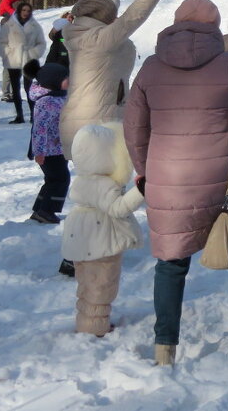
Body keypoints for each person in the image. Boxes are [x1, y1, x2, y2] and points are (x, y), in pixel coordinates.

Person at [124, 0, 228, 366]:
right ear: (215, 26)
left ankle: (165, 351)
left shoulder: (151, 68)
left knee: (171, 264)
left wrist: (144, 169)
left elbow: (134, 127)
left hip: (167, 179)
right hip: (221, 177)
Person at [60, 0, 174, 157]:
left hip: (85, 120)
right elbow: (131, 18)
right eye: (112, 15)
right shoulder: (100, 40)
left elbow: (107, 13)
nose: (116, 17)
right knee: (105, 185)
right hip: (97, 124)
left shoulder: (82, 34)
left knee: (97, 184)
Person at [62, 123, 145, 336]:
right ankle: (95, 327)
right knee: (102, 285)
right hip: (102, 243)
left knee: (87, 285)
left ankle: (86, 322)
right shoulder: (103, 184)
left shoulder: (82, 180)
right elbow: (118, 208)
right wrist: (140, 191)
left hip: (83, 240)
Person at [28, 63, 71, 225]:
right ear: (53, 81)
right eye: (65, 78)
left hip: (59, 148)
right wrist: (39, 152)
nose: (69, 80)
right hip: (48, 151)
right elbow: (39, 130)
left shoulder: (60, 95)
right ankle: (47, 211)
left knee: (52, 179)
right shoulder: (45, 102)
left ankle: (40, 209)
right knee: (61, 179)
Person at [0, 1, 47, 124]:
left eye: (28, 11)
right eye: (23, 10)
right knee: (15, 88)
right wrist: (8, 53)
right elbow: (1, 42)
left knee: (29, 88)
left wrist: (33, 53)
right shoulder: (9, 25)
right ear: (19, 11)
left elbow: (41, 43)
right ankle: (19, 116)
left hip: (29, 60)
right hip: (13, 59)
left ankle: (33, 116)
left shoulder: (35, 26)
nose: (26, 13)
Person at [0, 0, 22, 102]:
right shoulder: (7, 2)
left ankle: (13, 93)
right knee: (8, 70)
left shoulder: (15, 2)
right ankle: (6, 93)